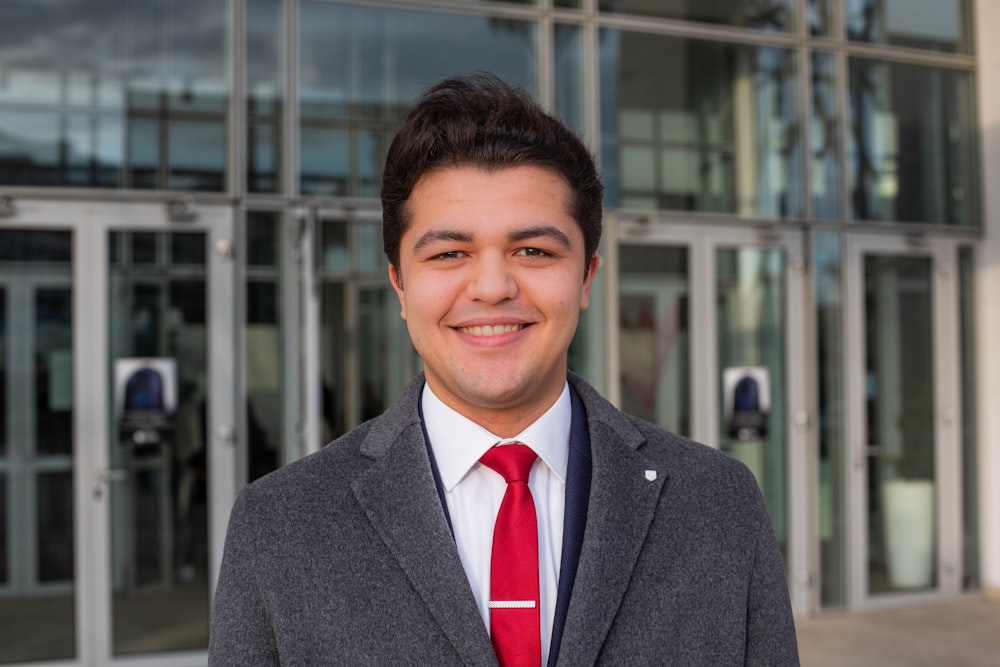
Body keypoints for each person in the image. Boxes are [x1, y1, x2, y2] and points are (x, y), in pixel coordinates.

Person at [209, 73, 799, 666]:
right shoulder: (279, 527)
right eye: (449, 254)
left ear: (587, 277)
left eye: (534, 251)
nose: (492, 287)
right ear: (399, 284)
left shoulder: (717, 504)